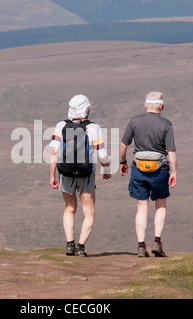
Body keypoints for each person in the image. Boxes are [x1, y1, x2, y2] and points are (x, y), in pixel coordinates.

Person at [50, 94, 111, 257]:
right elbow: (102, 155)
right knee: (89, 212)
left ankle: (69, 245)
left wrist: (52, 175)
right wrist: (106, 170)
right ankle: (81, 247)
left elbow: (54, 153)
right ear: (86, 109)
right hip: (86, 174)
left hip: (66, 173)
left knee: (69, 208)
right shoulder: (94, 128)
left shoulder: (61, 125)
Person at [119, 91, 177, 257]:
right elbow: (171, 151)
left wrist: (123, 163)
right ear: (162, 106)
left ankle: (140, 246)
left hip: (139, 169)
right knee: (160, 204)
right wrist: (174, 171)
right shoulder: (166, 124)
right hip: (160, 170)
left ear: (145, 105)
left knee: (142, 207)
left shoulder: (134, 121)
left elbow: (123, 146)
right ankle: (157, 242)